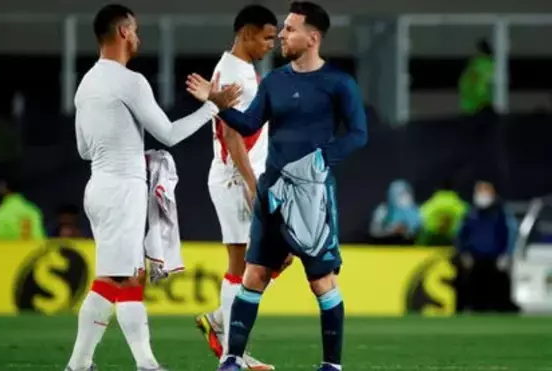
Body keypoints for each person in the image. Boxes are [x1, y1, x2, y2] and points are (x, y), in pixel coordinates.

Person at [187, 2, 367, 370]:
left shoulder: (338, 83)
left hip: (312, 193)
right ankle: (232, 358)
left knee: (322, 282)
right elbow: (247, 125)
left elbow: (359, 134)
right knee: (252, 273)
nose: (282, 36)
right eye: (279, 30)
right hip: (270, 189)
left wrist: (322, 159)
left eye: (289, 29)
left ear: (312, 38)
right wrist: (216, 104)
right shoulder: (273, 81)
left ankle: (331, 364)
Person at [64, 4, 240, 371]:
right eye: (137, 30)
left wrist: (122, 144)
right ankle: (138, 364)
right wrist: (213, 107)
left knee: (118, 277)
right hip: (123, 188)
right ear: (124, 31)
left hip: (97, 186)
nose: (139, 37)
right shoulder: (130, 80)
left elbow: (83, 149)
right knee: (124, 277)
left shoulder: (86, 84)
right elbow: (169, 134)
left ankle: (85, 364)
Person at [195, 5, 278, 371]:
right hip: (235, 178)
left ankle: (222, 325)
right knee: (241, 263)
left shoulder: (240, 69)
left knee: (276, 256)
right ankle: (232, 352)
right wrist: (250, 182)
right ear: (246, 33)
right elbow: (230, 131)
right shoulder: (233, 73)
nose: (270, 45)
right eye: (266, 37)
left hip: (242, 175)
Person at [455, 181, 518, 312]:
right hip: (475, 257)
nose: (482, 195)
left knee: (496, 289)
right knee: (475, 289)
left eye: (486, 191)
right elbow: (461, 234)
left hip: (495, 258)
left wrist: (507, 253)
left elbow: (509, 233)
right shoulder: (469, 213)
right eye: (480, 191)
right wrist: (464, 252)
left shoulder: (501, 213)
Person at [415, 180, 468, 246]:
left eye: (446, 220)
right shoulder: (461, 206)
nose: (443, 222)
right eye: (442, 219)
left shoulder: (429, 206)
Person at [369, 179, 421, 245]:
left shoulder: (417, 211)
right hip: (385, 248)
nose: (404, 197)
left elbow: (420, 232)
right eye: (401, 194)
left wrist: (406, 231)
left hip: (409, 250)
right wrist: (392, 230)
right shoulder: (384, 211)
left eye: (407, 194)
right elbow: (374, 232)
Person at [458, 38, 495, 116]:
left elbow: (466, 84)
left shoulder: (476, 64)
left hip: (475, 106)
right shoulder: (492, 64)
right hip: (484, 104)